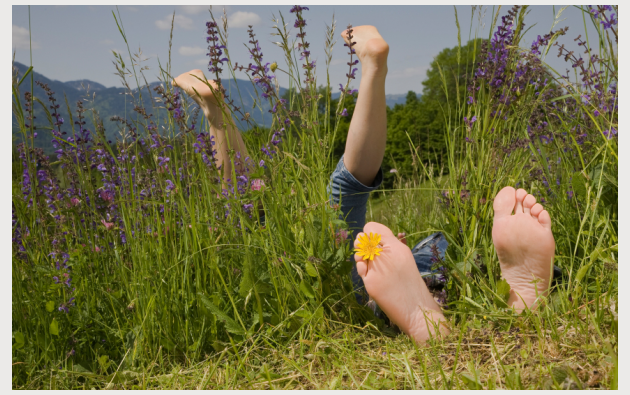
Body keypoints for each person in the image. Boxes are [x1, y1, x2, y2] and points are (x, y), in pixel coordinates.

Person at [172, 25, 556, 344]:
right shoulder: (409, 253)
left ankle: (216, 112)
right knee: (347, 196)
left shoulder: (384, 261)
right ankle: (519, 298)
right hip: (430, 267)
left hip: (369, 283)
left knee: (260, 214)